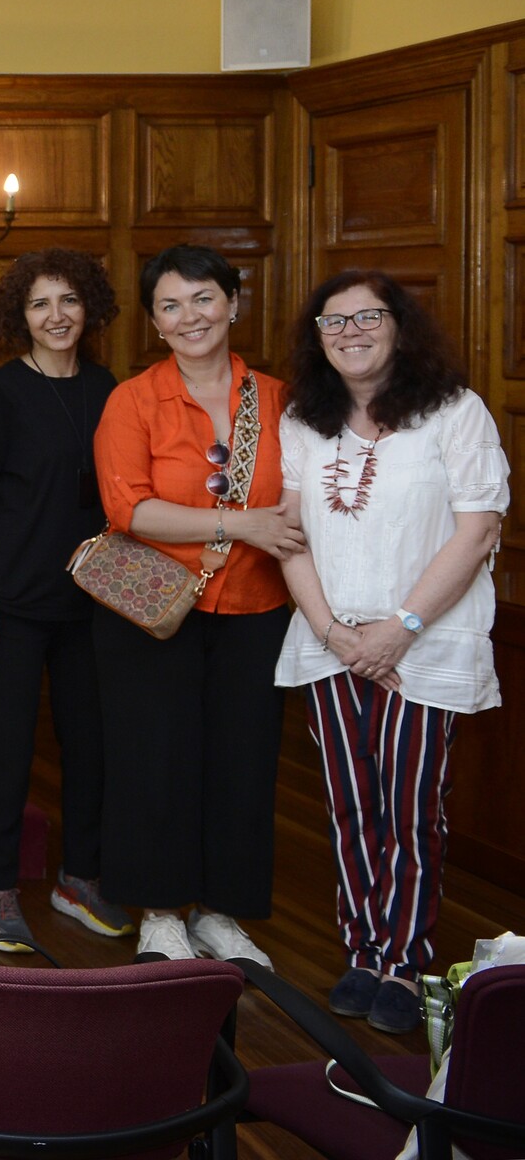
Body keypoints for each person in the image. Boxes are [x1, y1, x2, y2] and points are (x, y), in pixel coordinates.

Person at [275, 272, 505, 1035]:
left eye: (367, 317)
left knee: (410, 807)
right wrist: (335, 632)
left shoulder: (453, 412)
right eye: (332, 322)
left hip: (422, 642)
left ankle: (403, 960)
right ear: (318, 338)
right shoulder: (305, 419)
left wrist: (398, 627)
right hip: (331, 640)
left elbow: (477, 531)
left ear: (399, 326)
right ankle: (362, 950)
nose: (350, 332)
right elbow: (291, 535)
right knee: (348, 803)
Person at [93, 245, 300, 965]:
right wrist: (243, 524)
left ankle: (220, 912)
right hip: (153, 609)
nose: (191, 317)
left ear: (234, 303)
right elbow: (131, 512)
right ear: (154, 321)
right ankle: (159, 913)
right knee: (155, 758)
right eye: (171, 305)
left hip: (257, 606)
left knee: (243, 761)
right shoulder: (133, 399)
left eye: (204, 298)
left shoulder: (279, 400)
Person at [0, 250, 132, 951]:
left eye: (68, 302)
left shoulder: (108, 388)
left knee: (92, 748)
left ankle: (78, 878)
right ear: (19, 317)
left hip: (95, 603)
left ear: (88, 308)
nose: (56, 316)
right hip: (11, 603)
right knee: (5, 749)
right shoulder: (0, 392)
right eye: (39, 305)